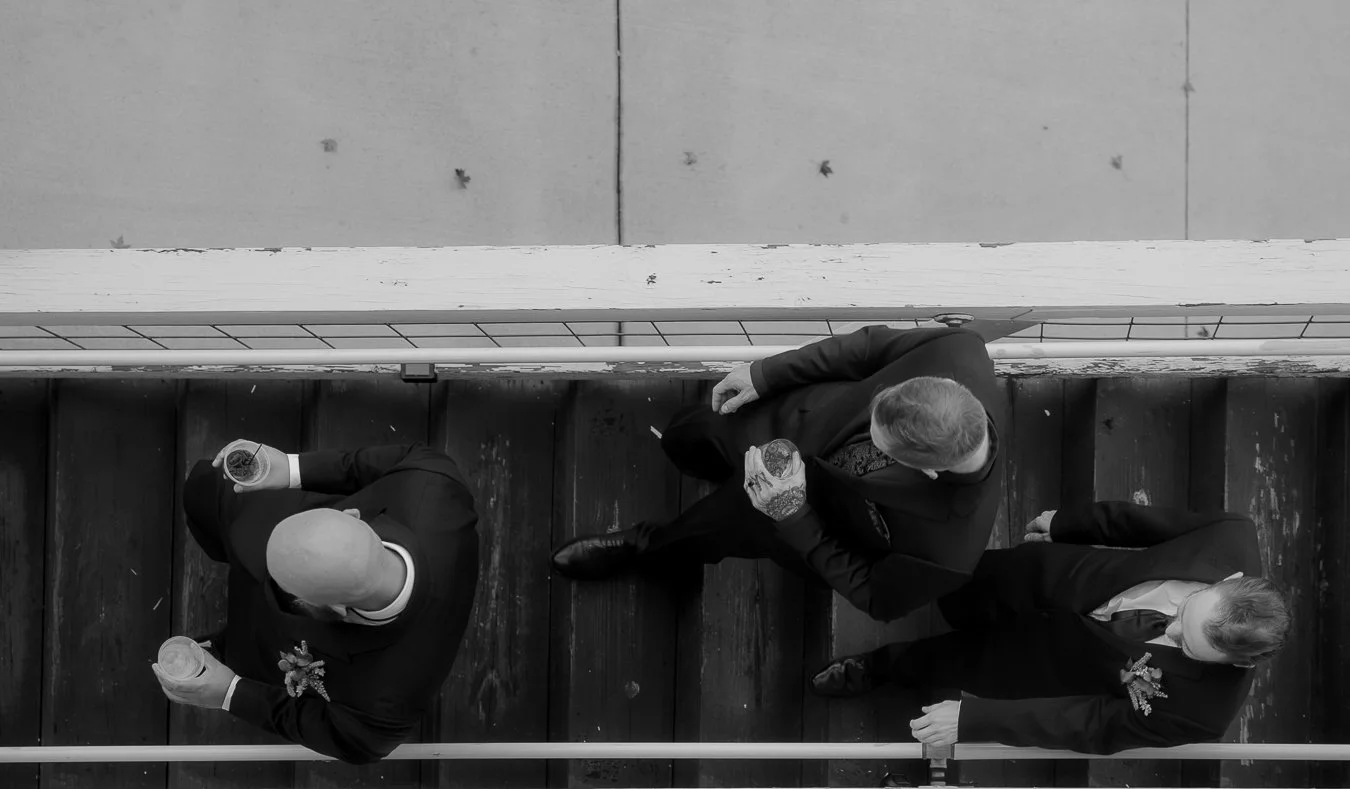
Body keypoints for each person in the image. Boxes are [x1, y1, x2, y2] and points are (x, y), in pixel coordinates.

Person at [551, 324, 1004, 622]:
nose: (866, 428)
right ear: (948, 385)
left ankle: (646, 548)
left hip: (792, 514)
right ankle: (697, 457)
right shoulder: (957, 349)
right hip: (783, 417)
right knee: (688, 434)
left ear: (927, 471)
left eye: (878, 441)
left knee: (701, 532)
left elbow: (875, 596)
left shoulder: (949, 553)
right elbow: (865, 348)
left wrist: (791, 513)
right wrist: (766, 374)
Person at [809, 502, 1291, 754]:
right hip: (1042, 577)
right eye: (1185, 613)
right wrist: (1070, 523)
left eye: (1186, 647)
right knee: (954, 584)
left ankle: (878, 667)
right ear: (1229, 581)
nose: (1172, 633)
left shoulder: (1203, 713)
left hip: (1038, 666)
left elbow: (1092, 726)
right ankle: (851, 560)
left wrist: (974, 721)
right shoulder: (1231, 536)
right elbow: (1143, 523)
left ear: (1236, 664)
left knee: (946, 661)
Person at [151, 441, 478, 764]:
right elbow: (393, 458)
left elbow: (353, 742)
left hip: (268, 644)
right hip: (302, 533)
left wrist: (229, 692)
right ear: (352, 516)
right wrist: (291, 469)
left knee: (229, 652)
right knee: (207, 487)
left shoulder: (387, 699)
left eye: (284, 589)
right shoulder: (433, 482)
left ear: (336, 609)